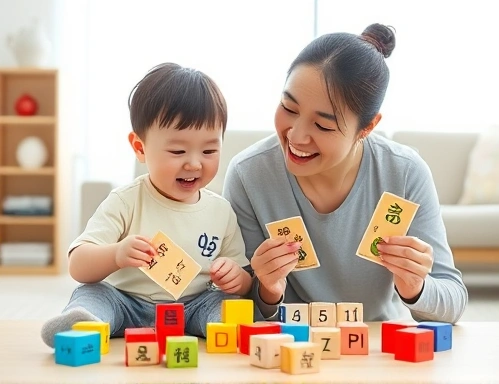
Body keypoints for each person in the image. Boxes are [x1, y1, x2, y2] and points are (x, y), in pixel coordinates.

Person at [223, 23, 468, 324]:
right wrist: (267, 291)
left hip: (374, 350)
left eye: (323, 126)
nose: (297, 137)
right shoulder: (249, 174)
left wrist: (415, 288)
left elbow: (454, 300)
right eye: (289, 107)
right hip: (288, 350)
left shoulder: (404, 173)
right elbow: (233, 305)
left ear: (367, 128)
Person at [41, 63, 255, 348]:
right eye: (178, 151)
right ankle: (81, 325)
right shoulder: (126, 200)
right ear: (140, 148)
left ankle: (230, 329)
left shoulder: (221, 211)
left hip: (193, 306)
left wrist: (236, 278)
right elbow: (78, 265)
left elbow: (244, 278)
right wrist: (116, 254)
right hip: (126, 302)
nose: (194, 162)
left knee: (224, 302)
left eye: (209, 150)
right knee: (93, 293)